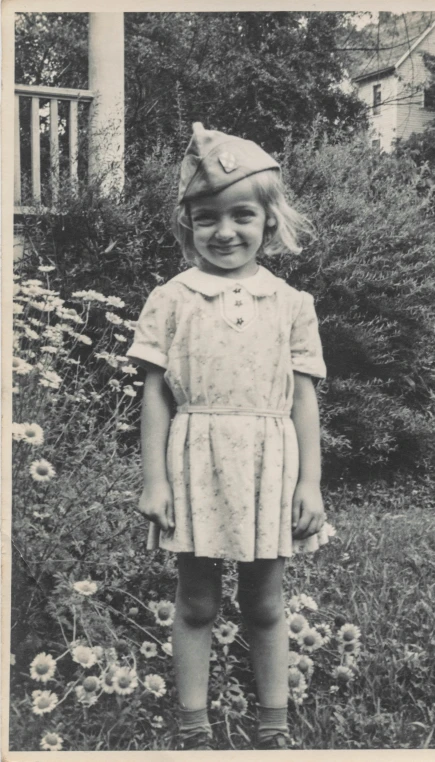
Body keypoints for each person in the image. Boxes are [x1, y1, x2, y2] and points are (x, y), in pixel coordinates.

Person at [127, 123, 329, 751]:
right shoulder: (172, 298)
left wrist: (311, 483)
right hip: (195, 462)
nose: (225, 231)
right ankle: (193, 725)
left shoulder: (292, 302)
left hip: (269, 464)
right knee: (196, 601)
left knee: (266, 604)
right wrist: (155, 480)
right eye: (207, 217)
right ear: (188, 224)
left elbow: (302, 399)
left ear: (269, 221)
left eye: (242, 214)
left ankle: (274, 725)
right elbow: (155, 393)